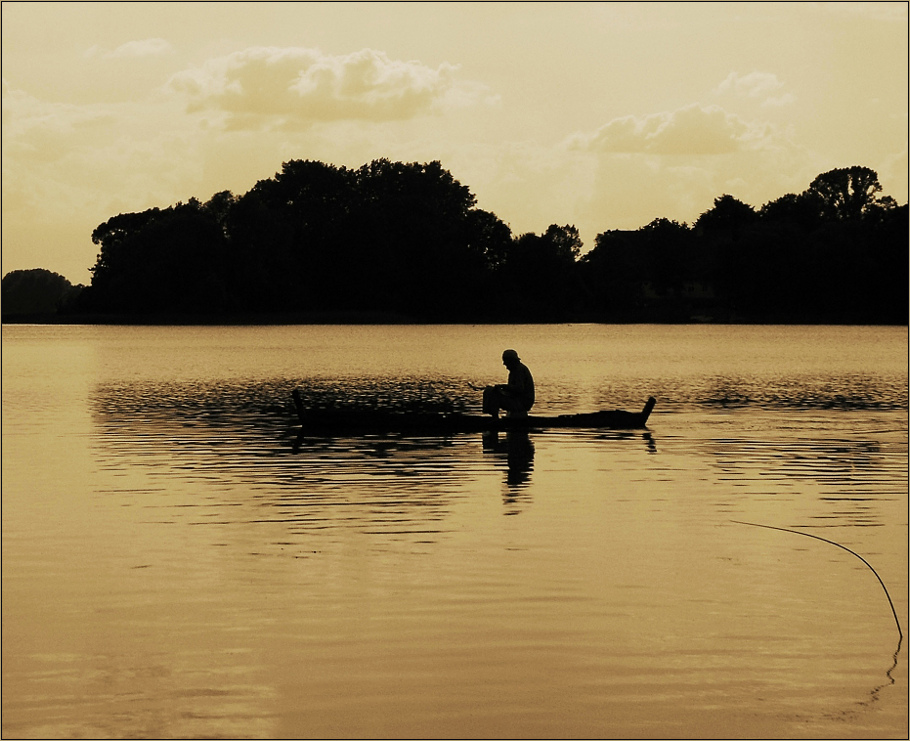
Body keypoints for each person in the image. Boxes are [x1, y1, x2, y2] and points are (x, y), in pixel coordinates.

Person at [483, 349, 535, 418]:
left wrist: (503, 387)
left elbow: (519, 389)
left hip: (523, 403)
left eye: (505, 361)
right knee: (490, 391)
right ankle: (493, 416)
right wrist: (500, 390)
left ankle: (494, 418)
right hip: (519, 401)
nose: (504, 364)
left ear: (511, 361)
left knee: (493, 394)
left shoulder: (519, 370)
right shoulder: (515, 370)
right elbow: (513, 391)